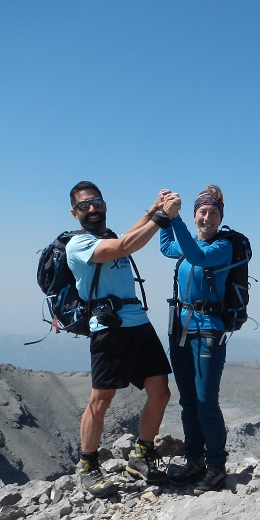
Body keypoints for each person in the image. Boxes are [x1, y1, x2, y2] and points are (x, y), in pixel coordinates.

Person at [66, 180, 182, 497]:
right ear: (74, 212)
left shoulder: (108, 236)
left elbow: (125, 238)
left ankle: (141, 455)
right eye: (84, 205)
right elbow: (123, 248)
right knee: (101, 399)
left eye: (97, 202)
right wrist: (161, 217)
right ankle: (87, 465)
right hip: (109, 327)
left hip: (138, 322)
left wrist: (153, 208)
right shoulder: (78, 245)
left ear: (104, 205)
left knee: (160, 391)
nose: (92, 208)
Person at [159, 184, 233, 494]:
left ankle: (216, 467)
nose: (207, 218)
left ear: (220, 218)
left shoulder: (223, 246)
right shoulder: (190, 242)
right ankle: (194, 460)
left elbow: (197, 255)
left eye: (213, 213)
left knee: (205, 402)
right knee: (188, 401)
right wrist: (164, 214)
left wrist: (175, 219)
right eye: (202, 212)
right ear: (195, 215)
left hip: (207, 331)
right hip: (181, 329)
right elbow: (167, 247)